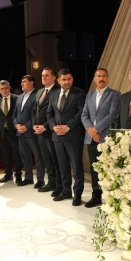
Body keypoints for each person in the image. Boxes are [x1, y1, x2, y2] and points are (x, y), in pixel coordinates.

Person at [81, 68, 120, 208]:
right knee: (94, 169)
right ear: (94, 79)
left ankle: (111, 199)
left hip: (106, 138)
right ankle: (96, 196)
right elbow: (84, 115)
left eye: (104, 76)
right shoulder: (89, 95)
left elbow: (112, 115)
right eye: (99, 76)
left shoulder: (114, 94)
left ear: (107, 78)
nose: (101, 78)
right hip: (91, 138)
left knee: (108, 169)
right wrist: (91, 130)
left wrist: (96, 129)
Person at [46, 69, 86, 206]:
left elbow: (81, 113)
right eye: (64, 79)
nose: (67, 82)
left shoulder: (80, 93)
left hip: (73, 135)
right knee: (63, 166)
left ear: (72, 79)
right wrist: (53, 127)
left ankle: (77, 194)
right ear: (58, 80)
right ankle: (66, 191)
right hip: (57, 136)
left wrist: (68, 126)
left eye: (69, 79)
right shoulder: (53, 94)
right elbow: (49, 114)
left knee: (77, 167)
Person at [32, 67, 61, 196]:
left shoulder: (58, 91)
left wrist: (45, 126)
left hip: (51, 131)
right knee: (46, 159)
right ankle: (51, 182)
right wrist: (35, 125)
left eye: (47, 75)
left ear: (54, 77)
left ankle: (59, 185)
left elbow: (56, 114)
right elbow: (34, 111)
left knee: (55, 159)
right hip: (40, 132)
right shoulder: (39, 92)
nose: (43, 77)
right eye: (42, 75)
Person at [13, 75, 45, 188]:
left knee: (38, 156)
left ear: (31, 83)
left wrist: (27, 126)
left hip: (32, 132)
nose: (21, 84)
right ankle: (28, 178)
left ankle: (40, 180)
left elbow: (37, 115)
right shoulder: (19, 97)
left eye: (24, 81)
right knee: (25, 157)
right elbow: (14, 115)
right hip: (20, 133)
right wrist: (16, 125)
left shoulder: (37, 95)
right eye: (21, 82)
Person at [0, 80, 22, 184]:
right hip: (2, 132)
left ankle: (18, 174)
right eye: (2, 89)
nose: (4, 90)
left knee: (17, 154)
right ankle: (8, 174)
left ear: (9, 88)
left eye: (6, 88)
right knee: (5, 154)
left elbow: (20, 114)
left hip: (14, 131)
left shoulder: (17, 99)